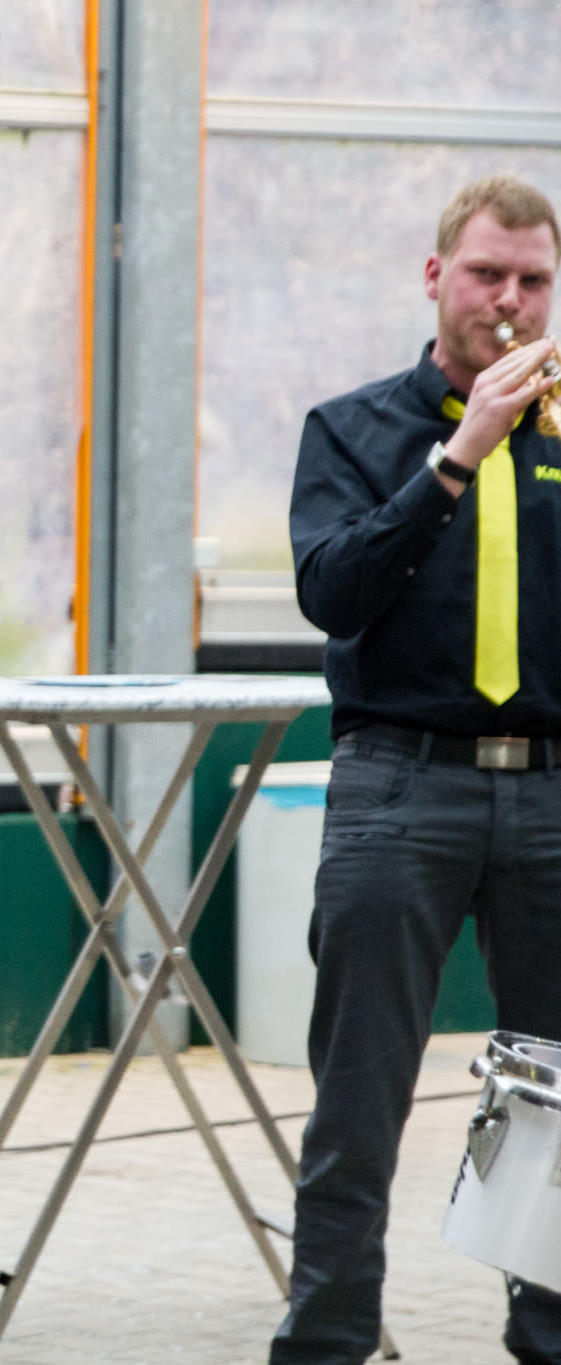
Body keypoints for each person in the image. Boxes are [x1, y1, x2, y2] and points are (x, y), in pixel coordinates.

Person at [280, 173, 561, 1365]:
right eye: (486, 273)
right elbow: (330, 593)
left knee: (554, 1105)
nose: (508, 301)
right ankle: (327, 1342)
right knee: (357, 1097)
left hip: (549, 789)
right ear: (434, 276)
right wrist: (457, 455)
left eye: (532, 281)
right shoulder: (349, 430)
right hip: (398, 783)